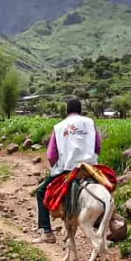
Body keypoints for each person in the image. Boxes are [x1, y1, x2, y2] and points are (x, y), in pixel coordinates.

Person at [33, 98, 102, 244]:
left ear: (67, 111)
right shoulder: (90, 123)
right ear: (81, 110)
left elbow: (51, 155)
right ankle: (114, 218)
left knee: (40, 192)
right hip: (89, 169)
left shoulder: (59, 127)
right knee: (108, 186)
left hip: (68, 171)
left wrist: (55, 167)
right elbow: (98, 147)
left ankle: (47, 231)